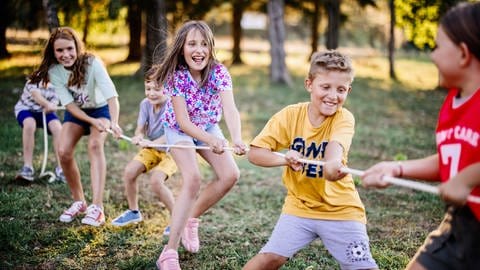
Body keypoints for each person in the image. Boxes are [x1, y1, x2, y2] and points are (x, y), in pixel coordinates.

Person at [360, 2, 480, 270]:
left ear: (463, 54)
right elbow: (452, 160)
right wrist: (397, 168)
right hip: (460, 223)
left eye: (437, 47)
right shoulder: (453, 102)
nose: (432, 56)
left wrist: (467, 179)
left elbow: (463, 172)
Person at [243, 50, 378, 270]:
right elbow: (255, 153)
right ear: (309, 84)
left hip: (341, 209)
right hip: (300, 206)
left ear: (348, 91)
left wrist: (332, 166)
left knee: (362, 266)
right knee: (269, 259)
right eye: (325, 87)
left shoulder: (344, 118)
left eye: (341, 89)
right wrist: (285, 160)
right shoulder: (289, 115)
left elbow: (335, 148)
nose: (333, 96)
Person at [152, 20, 247, 269]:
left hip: (207, 125)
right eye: (192, 43)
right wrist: (212, 140)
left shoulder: (219, 72)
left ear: (211, 47)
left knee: (230, 175)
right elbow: (183, 122)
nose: (199, 50)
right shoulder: (176, 76)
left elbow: (230, 109)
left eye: (204, 44)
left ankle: (190, 220)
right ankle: (168, 252)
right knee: (192, 179)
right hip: (178, 129)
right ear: (181, 47)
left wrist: (235, 137)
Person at [33, 27, 122, 227]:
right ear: (53, 52)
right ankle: (80, 202)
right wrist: (90, 122)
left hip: (101, 110)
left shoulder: (93, 63)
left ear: (77, 46)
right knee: (63, 151)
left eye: (69, 49)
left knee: (94, 145)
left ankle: (97, 208)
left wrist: (113, 123)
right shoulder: (54, 71)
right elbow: (70, 106)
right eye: (60, 51)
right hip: (77, 113)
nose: (65, 55)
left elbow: (112, 97)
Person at [111, 70, 177, 235]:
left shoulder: (173, 105)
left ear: (168, 89)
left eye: (157, 89)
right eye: (148, 88)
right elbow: (140, 128)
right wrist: (138, 136)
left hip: (173, 151)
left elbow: (171, 134)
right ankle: (134, 213)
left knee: (156, 182)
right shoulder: (145, 104)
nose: (151, 93)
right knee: (129, 172)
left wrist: (152, 142)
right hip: (152, 148)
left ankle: (178, 220)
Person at [14, 76, 65, 182]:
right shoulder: (33, 81)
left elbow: (55, 100)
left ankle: (61, 169)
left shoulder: (59, 83)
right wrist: (47, 104)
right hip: (26, 109)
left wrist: (53, 105)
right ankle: (27, 167)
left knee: (58, 128)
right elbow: (36, 96)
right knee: (29, 124)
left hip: (45, 112)